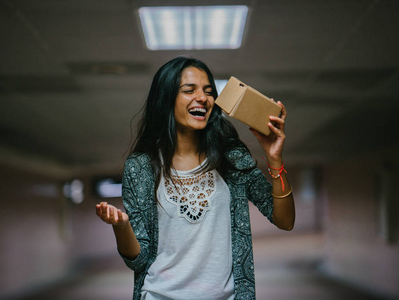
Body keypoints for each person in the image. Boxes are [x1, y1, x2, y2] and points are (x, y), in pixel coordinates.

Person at [96, 57, 295, 300]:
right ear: (166, 99)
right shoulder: (141, 167)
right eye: (189, 90)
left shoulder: (231, 158)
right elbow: (139, 261)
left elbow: (284, 220)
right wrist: (122, 226)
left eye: (208, 91)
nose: (203, 97)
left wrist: (275, 160)